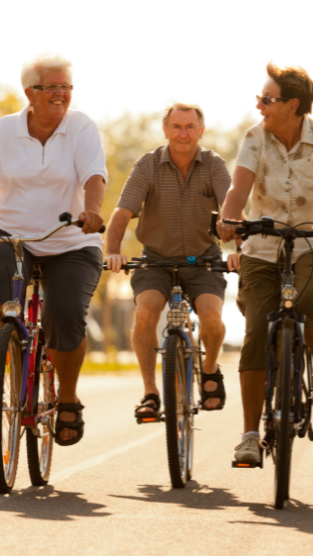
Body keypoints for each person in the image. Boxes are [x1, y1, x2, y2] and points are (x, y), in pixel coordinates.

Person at [0, 53, 107, 447]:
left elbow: (94, 175)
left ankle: (67, 398)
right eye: (53, 87)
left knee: (64, 314)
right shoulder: (4, 130)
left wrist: (93, 212)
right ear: (29, 92)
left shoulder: (80, 127)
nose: (62, 94)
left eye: (67, 87)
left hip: (70, 241)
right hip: (9, 233)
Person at [218, 63, 313, 464]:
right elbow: (239, 187)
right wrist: (229, 220)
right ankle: (249, 435)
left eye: (268, 99)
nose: (260, 105)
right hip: (262, 248)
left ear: (293, 105)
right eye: (260, 98)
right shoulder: (255, 137)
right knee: (253, 335)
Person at [104, 103, 238, 418]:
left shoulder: (214, 166)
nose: (183, 133)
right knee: (146, 313)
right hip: (156, 260)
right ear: (166, 131)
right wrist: (112, 250)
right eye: (176, 126)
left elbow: (233, 213)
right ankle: (150, 391)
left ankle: (208, 369)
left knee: (212, 319)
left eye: (190, 127)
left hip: (203, 260)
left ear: (201, 131)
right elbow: (122, 213)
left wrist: (240, 251)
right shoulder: (148, 165)